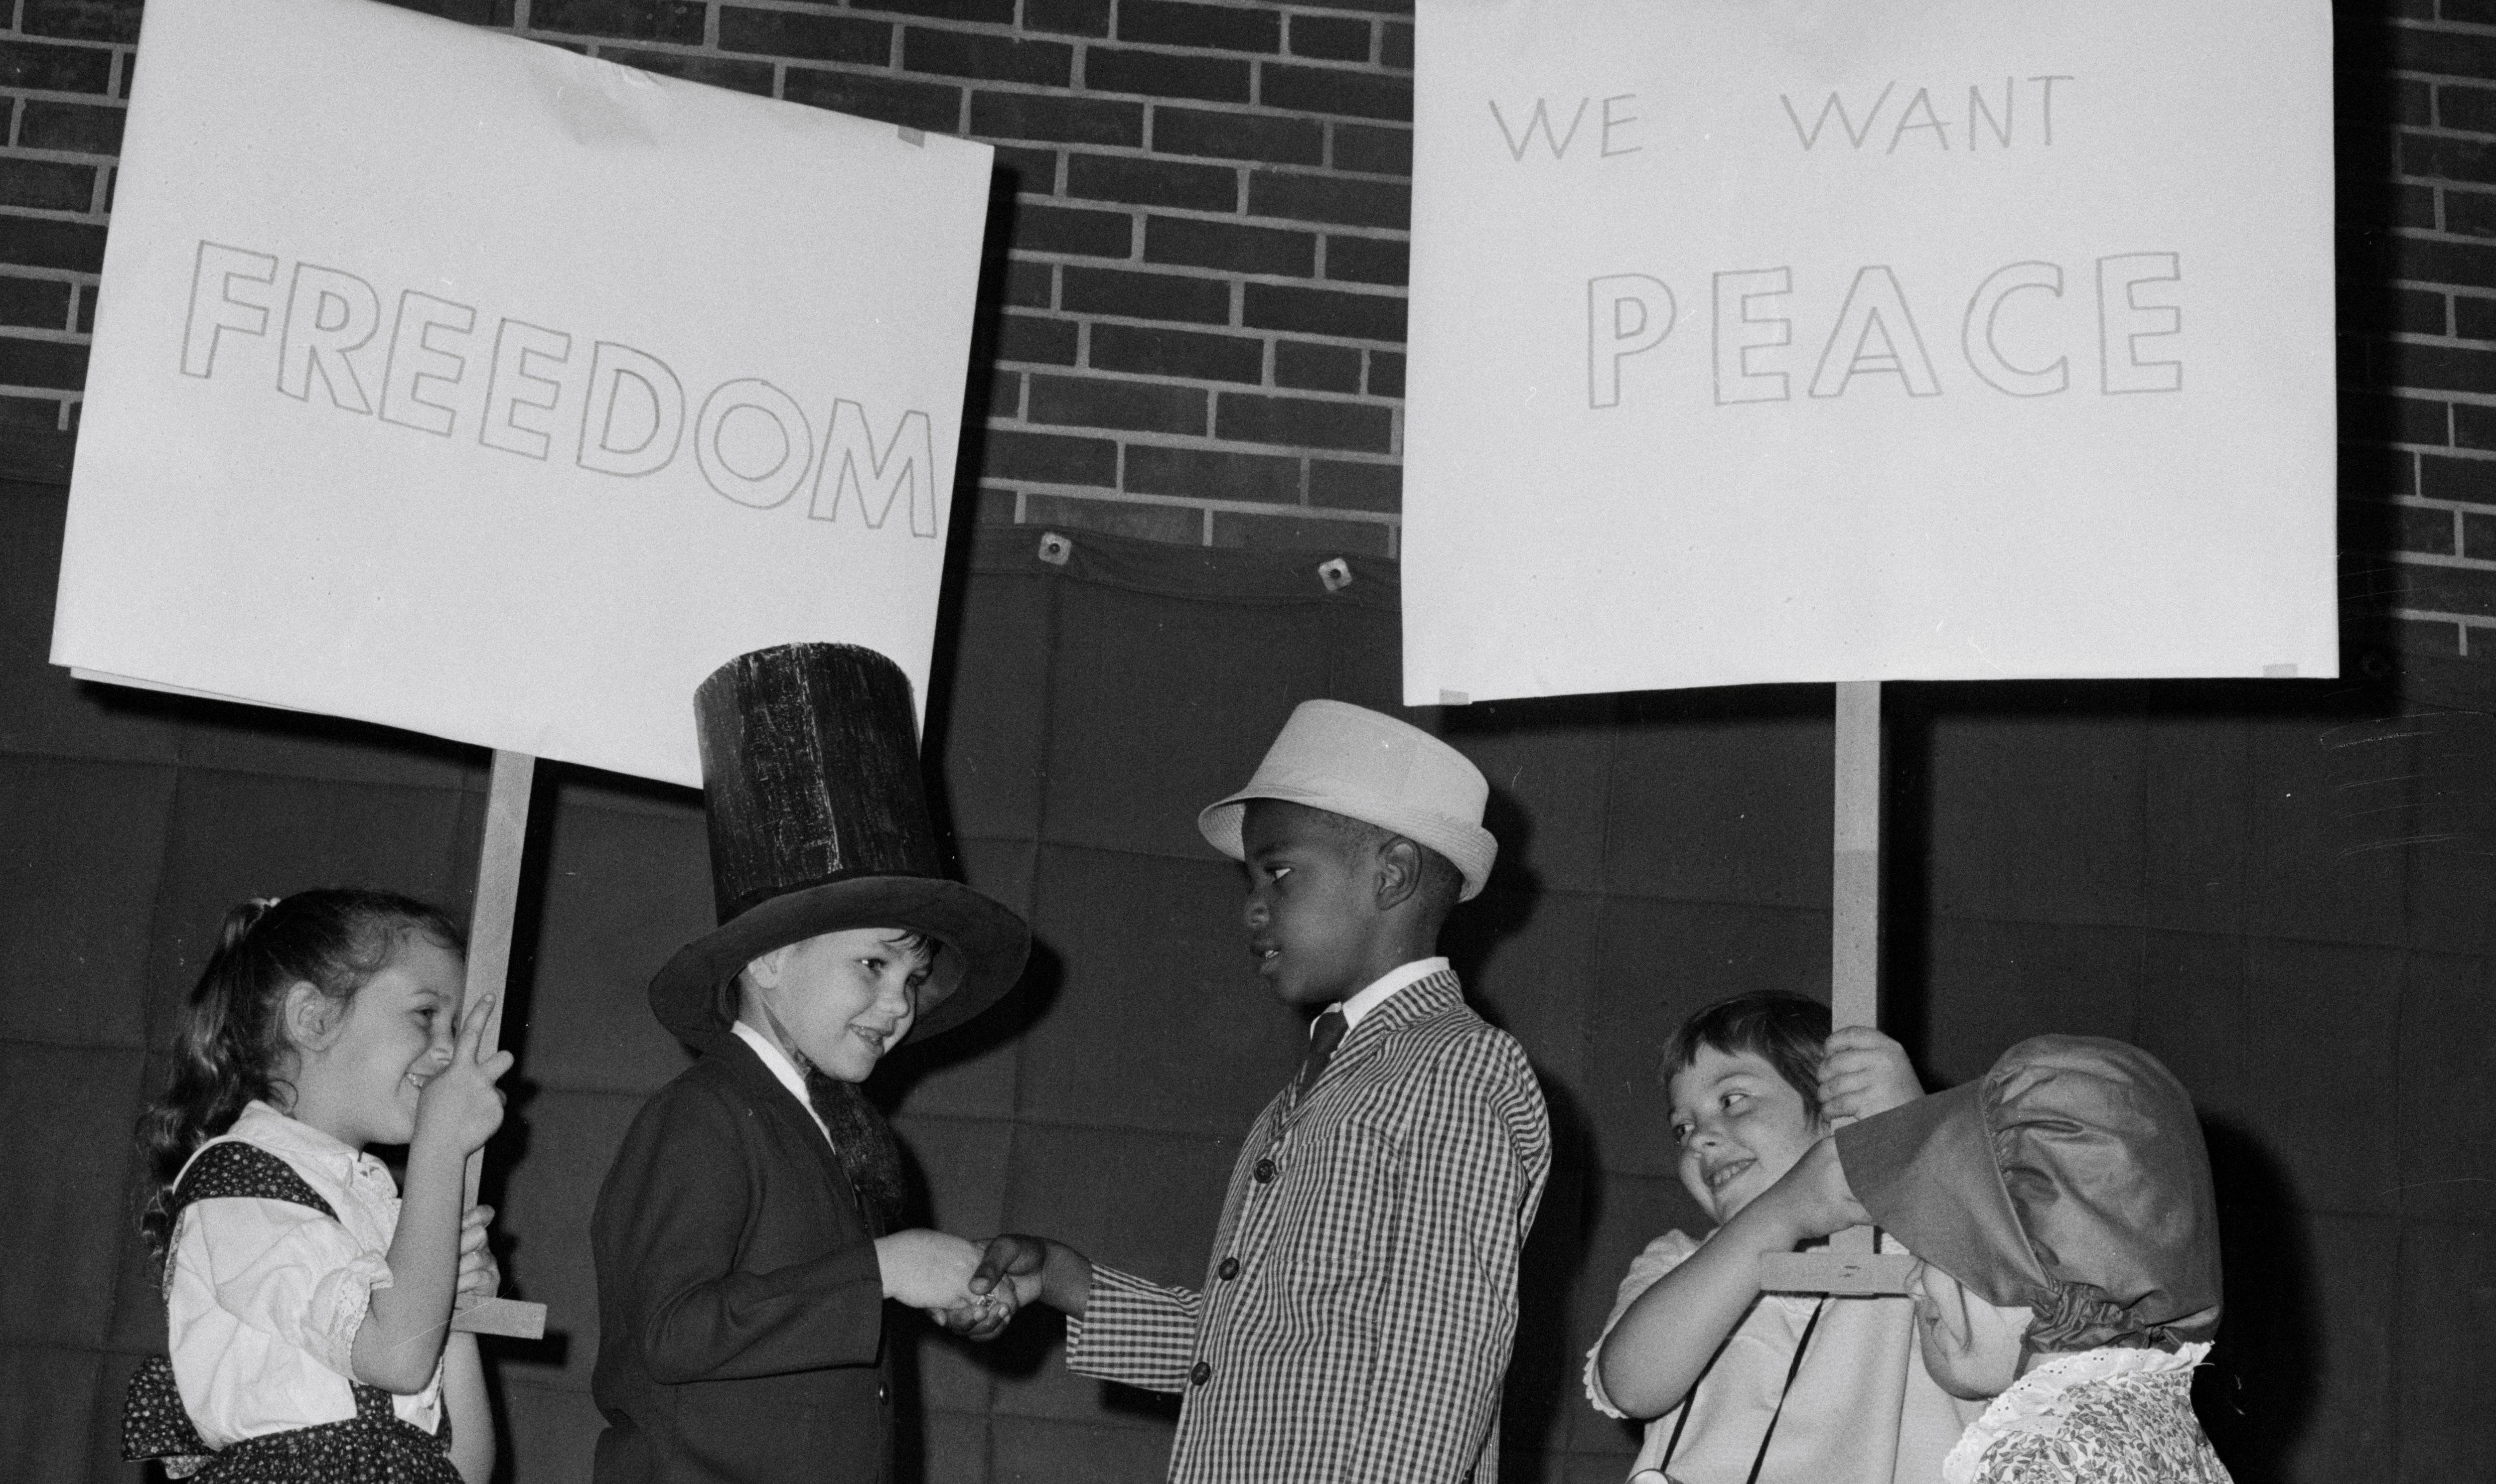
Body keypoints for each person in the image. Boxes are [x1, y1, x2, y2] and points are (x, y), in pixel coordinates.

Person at [960, 698, 1554, 1484]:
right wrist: (1066, 1280)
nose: (1251, 905)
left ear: (1392, 874)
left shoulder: (1454, 1065)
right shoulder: (1321, 1084)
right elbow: (1247, 1347)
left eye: (1279, 871)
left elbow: (1439, 1357)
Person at [590, 643, 1032, 1484]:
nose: (899, 1002)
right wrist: (884, 1268)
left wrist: (931, 1288)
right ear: (766, 960)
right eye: (871, 964)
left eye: (911, 976)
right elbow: (670, 1330)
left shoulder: (833, 1131)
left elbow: (801, 1314)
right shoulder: (705, 1115)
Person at [121, 888, 508, 1484]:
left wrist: (451, 1310)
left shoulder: (377, 1210)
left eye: (454, 1027)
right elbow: (398, 1358)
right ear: (313, 1019)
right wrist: (440, 1147)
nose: (451, 1051)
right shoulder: (240, 1187)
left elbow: (465, 1468)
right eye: (425, 1015)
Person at [1585, 991, 1978, 1484]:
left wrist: (1912, 1135)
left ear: (1834, 1108)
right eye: (1681, 1127)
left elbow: (2015, 1319)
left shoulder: (1934, 1245)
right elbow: (1633, 1386)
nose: (1698, 1139)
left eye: (1732, 1101)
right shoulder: (1677, 1262)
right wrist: (1782, 1213)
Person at [1809, 1035, 2233, 1484]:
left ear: (2040, 1269)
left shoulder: (2038, 1456)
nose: (1913, 1283)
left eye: (1938, 1249)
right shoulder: (2152, 1421)